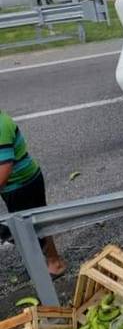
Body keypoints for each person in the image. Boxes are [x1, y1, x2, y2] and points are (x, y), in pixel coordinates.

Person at [0, 111, 66, 276]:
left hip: (22, 184)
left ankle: (53, 263)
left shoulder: (1, 125)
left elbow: (5, 168)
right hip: (14, 185)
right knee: (34, 224)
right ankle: (50, 261)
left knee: (32, 228)